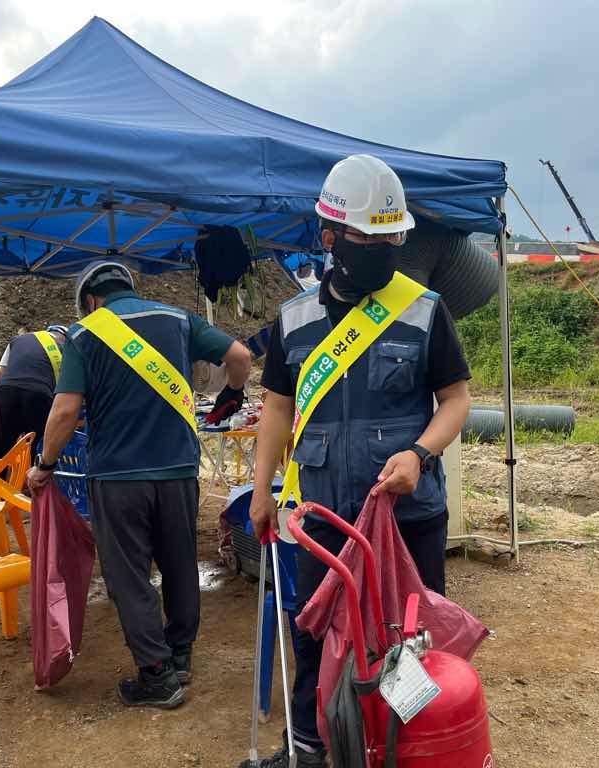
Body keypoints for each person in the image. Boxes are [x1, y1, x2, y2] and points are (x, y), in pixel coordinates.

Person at [244, 154, 472, 767]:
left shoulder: (423, 308)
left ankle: (406, 749)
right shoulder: (293, 320)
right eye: (368, 240)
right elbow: (276, 410)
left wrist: (420, 453)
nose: (382, 251)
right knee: (313, 631)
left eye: (391, 240)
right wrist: (263, 492)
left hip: (405, 514)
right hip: (322, 515)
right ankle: (309, 748)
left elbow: (456, 400)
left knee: (409, 640)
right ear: (330, 237)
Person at [27, 260, 252, 710]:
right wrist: (232, 393)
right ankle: (180, 655)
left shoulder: (84, 334)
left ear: (91, 301)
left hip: (118, 477)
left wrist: (44, 464)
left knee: (129, 575)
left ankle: (156, 675)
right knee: (179, 563)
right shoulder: (178, 319)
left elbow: (65, 411)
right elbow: (241, 357)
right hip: (178, 471)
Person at [0, 323, 67, 457]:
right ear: (64, 338)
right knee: (37, 449)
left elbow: (1, 373)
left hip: (4, 391)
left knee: (0, 449)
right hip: (39, 395)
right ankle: (32, 468)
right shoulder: (63, 349)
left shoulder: (19, 339)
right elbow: (62, 390)